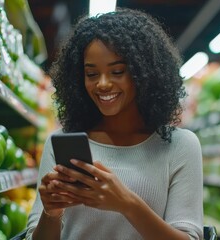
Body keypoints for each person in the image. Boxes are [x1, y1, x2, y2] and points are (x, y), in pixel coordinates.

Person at [26, 8, 203, 240]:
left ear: (144, 73)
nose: (103, 84)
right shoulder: (60, 143)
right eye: (91, 74)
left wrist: (126, 203)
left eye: (117, 71)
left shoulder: (180, 145)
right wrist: (51, 213)